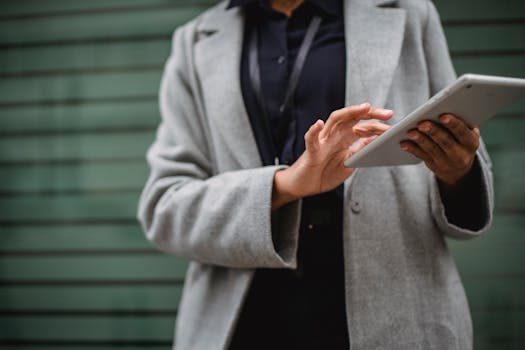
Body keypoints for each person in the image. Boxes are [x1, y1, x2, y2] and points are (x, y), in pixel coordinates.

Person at [137, 0, 494, 348]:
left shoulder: (412, 12)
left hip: (397, 310)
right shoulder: (194, 39)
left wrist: (458, 170)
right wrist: (285, 185)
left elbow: (467, 179)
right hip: (245, 319)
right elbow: (164, 206)